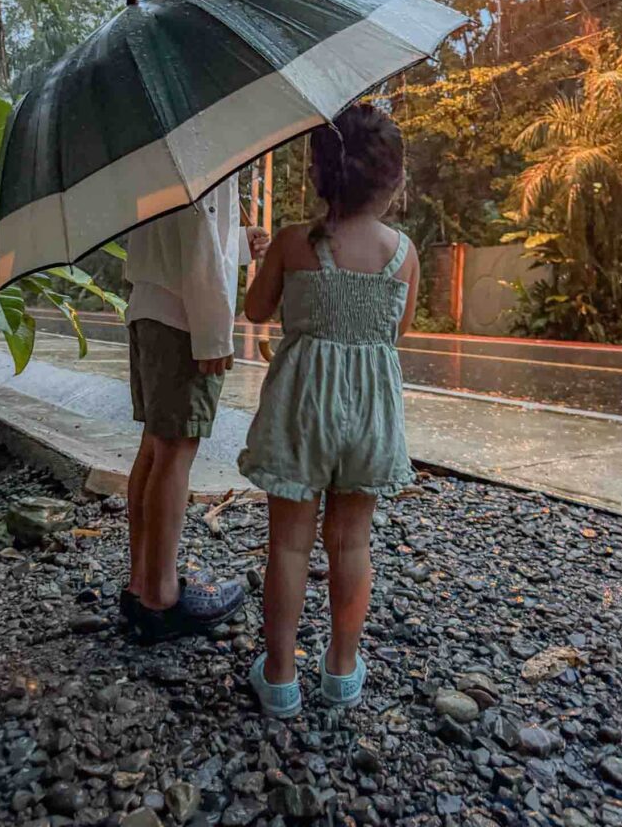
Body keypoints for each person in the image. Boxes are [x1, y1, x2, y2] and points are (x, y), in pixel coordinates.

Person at [238, 104, 419, 716]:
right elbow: (399, 329)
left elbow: (259, 312)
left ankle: (281, 676)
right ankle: (342, 670)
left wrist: (260, 264)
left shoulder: (293, 242)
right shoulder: (405, 254)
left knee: (288, 546)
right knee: (351, 544)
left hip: (301, 407)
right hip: (371, 410)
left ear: (319, 176)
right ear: (393, 183)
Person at [121, 177, 269, 642]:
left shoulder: (155, 151)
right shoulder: (205, 152)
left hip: (149, 306)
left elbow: (183, 238)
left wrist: (239, 245)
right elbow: (200, 233)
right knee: (175, 452)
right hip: (183, 318)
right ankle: (161, 596)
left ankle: (141, 580)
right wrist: (213, 334)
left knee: (153, 447)